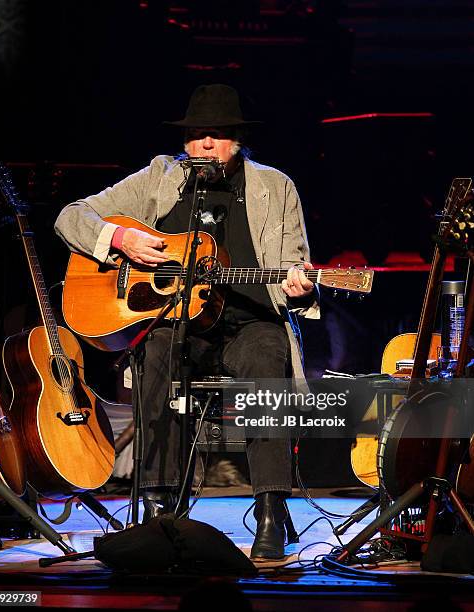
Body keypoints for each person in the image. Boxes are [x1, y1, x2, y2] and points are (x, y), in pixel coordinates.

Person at [54, 84, 319, 560]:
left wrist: (303, 290)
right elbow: (71, 217)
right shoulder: (160, 176)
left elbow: (295, 267)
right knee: (156, 349)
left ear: (238, 139)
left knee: (267, 351)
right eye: (197, 136)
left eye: (216, 135)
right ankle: (161, 509)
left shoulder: (276, 188)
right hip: (176, 321)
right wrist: (121, 240)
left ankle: (269, 509)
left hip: (249, 322)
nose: (205, 145)